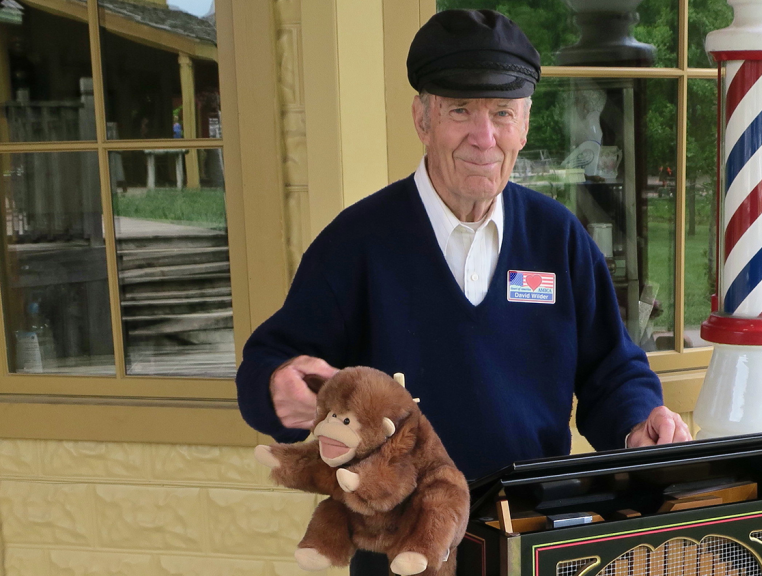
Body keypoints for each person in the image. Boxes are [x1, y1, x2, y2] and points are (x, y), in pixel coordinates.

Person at [235, 9, 690, 575]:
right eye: (460, 111)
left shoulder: (557, 237)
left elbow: (610, 370)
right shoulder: (357, 242)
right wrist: (276, 386)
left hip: (533, 540)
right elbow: (268, 365)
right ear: (422, 119)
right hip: (401, 551)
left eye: (502, 113)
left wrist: (638, 420)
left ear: (524, 125)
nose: (484, 137)